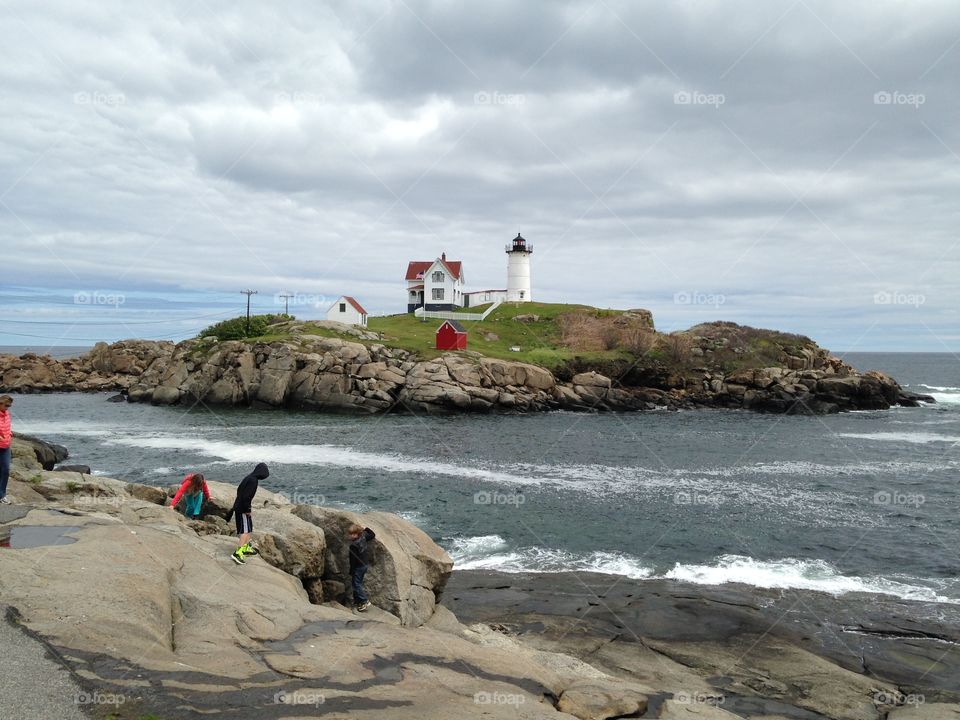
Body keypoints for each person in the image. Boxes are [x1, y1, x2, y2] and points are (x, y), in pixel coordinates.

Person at [225, 462, 269, 565]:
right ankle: (238, 553)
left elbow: (239, 490)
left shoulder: (248, 477)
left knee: (249, 528)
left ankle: (245, 547)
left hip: (240, 506)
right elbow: (246, 497)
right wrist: (248, 510)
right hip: (242, 509)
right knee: (245, 530)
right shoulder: (253, 481)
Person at [348, 523, 376, 612]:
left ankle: (364, 600)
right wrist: (366, 528)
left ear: (358, 534)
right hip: (364, 565)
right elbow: (372, 534)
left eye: (354, 534)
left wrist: (351, 571)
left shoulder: (353, 546)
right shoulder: (363, 537)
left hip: (358, 567)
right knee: (356, 583)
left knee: (356, 584)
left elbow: (352, 561)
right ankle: (359, 603)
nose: (352, 536)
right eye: (350, 534)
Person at [0, 395, 12, 505]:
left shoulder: (7, 414)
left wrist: (9, 435)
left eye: (9, 406)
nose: (8, 407)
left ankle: (2, 495)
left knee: (6, 469)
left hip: (6, 446)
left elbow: (8, 427)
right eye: (6, 405)